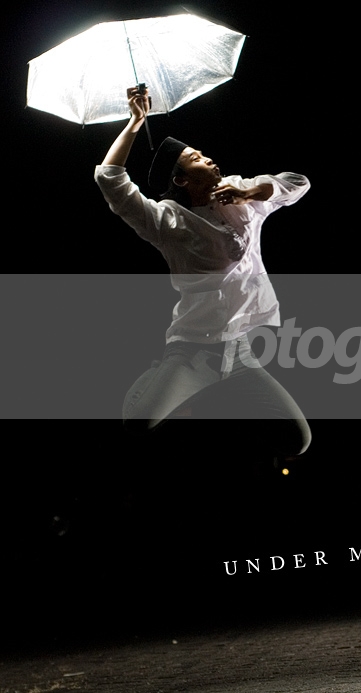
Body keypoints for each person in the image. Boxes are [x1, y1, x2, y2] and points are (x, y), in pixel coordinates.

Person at [95, 86, 311, 456]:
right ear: (181, 180)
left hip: (241, 353)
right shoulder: (167, 220)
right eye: (196, 159)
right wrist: (135, 123)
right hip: (193, 350)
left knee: (298, 441)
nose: (209, 160)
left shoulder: (238, 193)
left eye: (205, 154)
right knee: (139, 423)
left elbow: (297, 183)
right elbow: (110, 180)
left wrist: (250, 194)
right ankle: (160, 373)